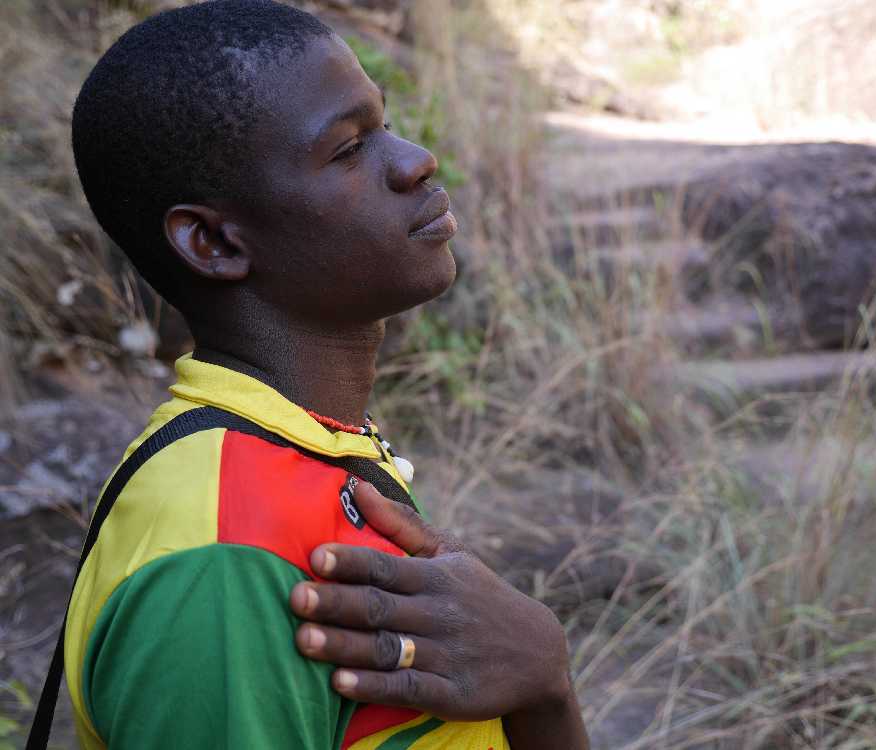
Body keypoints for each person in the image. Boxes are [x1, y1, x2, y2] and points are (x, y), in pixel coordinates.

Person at [62, 1, 589, 748]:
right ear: (212, 242)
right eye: (348, 150)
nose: (414, 160)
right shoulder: (222, 565)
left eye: (384, 124)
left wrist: (545, 683)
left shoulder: (307, 445)